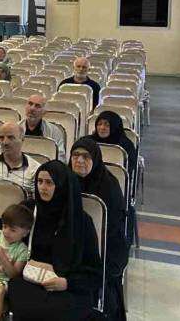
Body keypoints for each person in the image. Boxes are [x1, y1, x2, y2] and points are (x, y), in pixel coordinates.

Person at [4, 161, 102, 321]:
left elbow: (95, 273)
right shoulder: (28, 210)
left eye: (49, 183)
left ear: (62, 186)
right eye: (40, 181)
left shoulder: (81, 221)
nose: (43, 187)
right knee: (20, 294)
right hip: (30, 280)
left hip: (66, 287)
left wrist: (67, 283)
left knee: (63, 308)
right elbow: (0, 233)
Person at [70, 137, 128, 320]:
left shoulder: (109, 186)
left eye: (86, 156)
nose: (79, 160)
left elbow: (114, 229)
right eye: (75, 155)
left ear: (95, 159)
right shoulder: (64, 181)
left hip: (103, 250)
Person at [0, 122, 39, 198]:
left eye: (10, 137)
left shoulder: (35, 168)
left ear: (22, 139)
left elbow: (36, 201)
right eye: (1, 138)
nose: (5, 142)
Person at [92, 111, 137, 175]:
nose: (102, 128)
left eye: (107, 125)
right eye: (99, 124)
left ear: (114, 127)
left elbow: (127, 171)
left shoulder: (126, 145)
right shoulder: (88, 141)